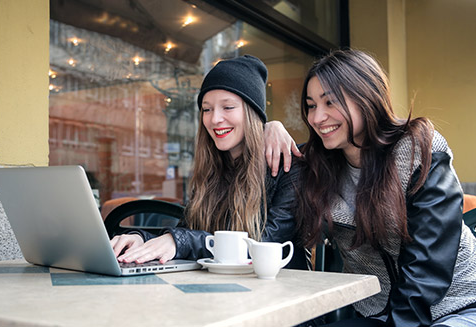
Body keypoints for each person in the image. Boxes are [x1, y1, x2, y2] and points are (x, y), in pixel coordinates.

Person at [292, 48, 476, 326]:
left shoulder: (419, 151)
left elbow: (428, 266)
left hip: (456, 306)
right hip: (379, 315)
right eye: (311, 105)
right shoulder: (318, 164)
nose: (318, 118)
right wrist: (272, 131)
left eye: (330, 102)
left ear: (366, 98)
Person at [110, 55, 308, 270]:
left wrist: (179, 241)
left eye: (228, 107)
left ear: (252, 112)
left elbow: (264, 244)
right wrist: (141, 240)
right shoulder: (212, 171)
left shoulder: (288, 165)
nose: (214, 119)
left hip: (277, 295)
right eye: (207, 109)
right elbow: (188, 232)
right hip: (219, 293)